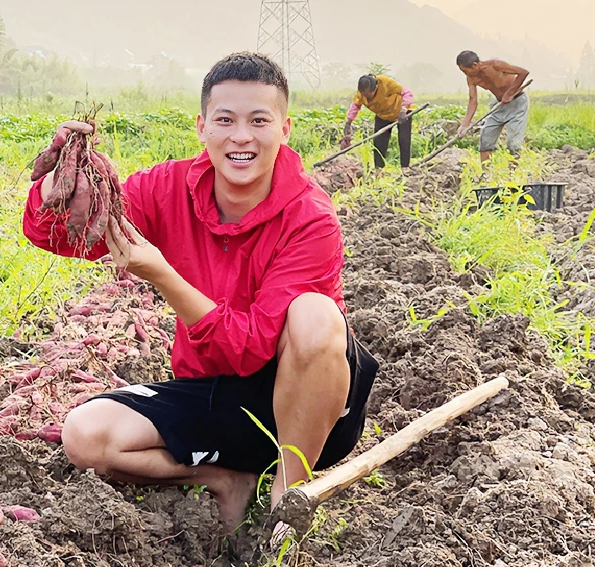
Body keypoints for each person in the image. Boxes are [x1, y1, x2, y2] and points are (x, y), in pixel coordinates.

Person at [23, 52, 378, 532]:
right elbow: (64, 236)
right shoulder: (166, 188)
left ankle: (288, 498)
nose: (241, 137)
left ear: (285, 128)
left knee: (315, 316)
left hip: (307, 413)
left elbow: (252, 349)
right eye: (225, 120)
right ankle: (226, 478)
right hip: (215, 393)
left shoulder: (310, 218)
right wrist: (59, 183)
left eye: (259, 121)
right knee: (86, 436)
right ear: (202, 126)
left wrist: (163, 274)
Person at [456, 51, 530, 162]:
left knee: (513, 144)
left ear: (475, 65)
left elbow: (523, 72)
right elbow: (473, 101)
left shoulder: (495, 65)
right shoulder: (471, 79)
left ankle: (513, 175)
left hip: (517, 103)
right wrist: (464, 125)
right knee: (486, 137)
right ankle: (485, 173)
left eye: (466, 71)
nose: (465, 74)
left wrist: (510, 93)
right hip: (498, 106)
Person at [343, 74, 414, 171]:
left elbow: (407, 93)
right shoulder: (361, 93)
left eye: (368, 95)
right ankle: (378, 169)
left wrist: (403, 110)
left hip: (401, 112)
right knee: (379, 142)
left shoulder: (386, 83)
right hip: (383, 115)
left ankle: (405, 168)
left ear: (375, 88)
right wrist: (348, 122)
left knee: (404, 139)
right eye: (364, 95)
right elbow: (355, 106)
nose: (367, 98)